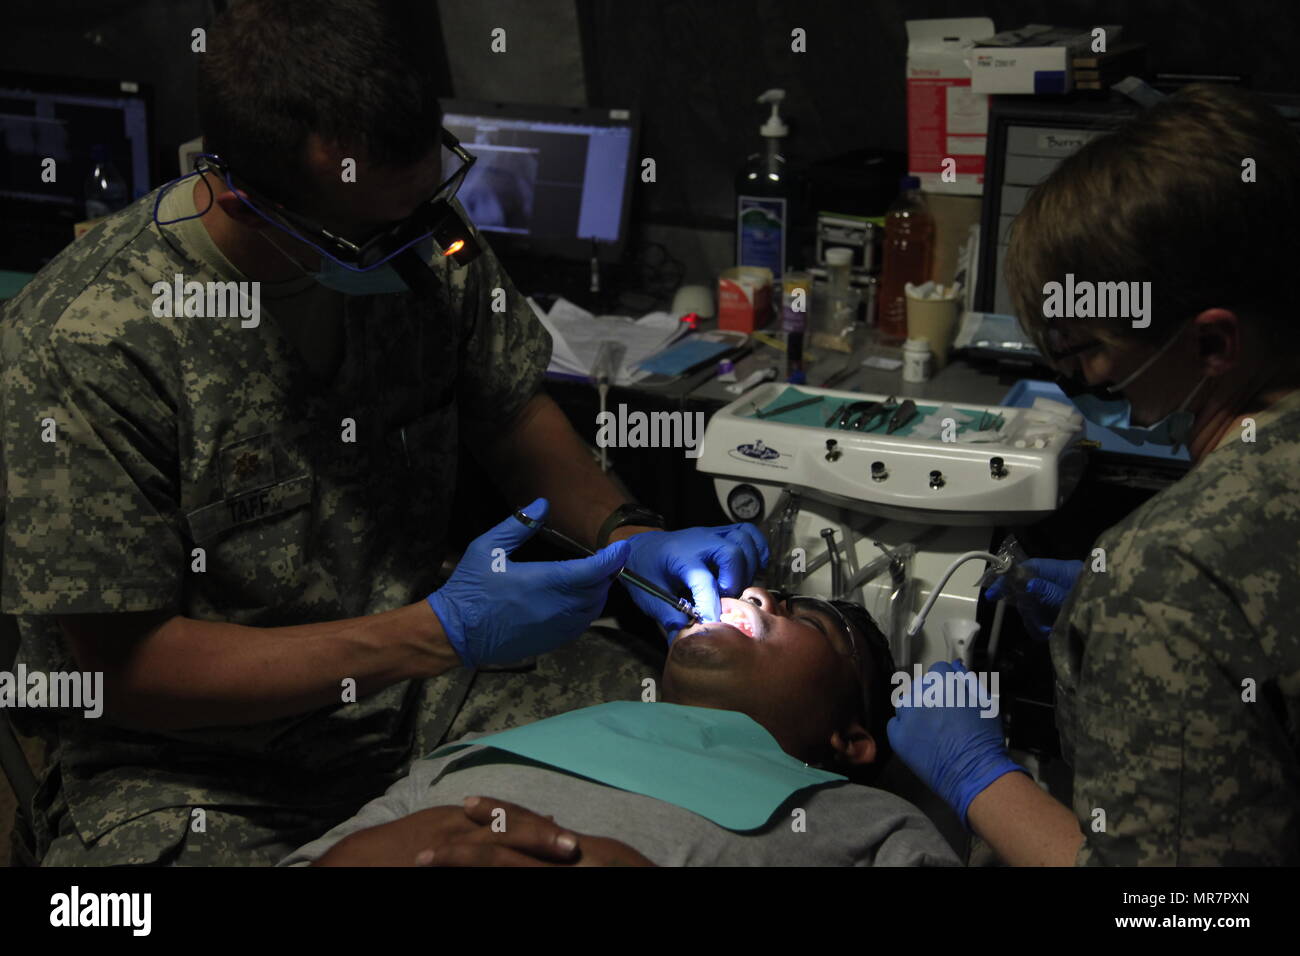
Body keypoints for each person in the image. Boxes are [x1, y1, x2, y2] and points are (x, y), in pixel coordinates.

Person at [0, 0, 765, 866]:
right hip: (201, 763)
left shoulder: (417, 234)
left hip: (424, 694)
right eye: (377, 236)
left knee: (702, 736)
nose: (420, 247)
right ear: (243, 199)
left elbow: (510, 410)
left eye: (428, 204)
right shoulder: (88, 344)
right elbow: (125, 671)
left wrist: (628, 538)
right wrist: (436, 631)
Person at [888, 83, 1300, 866]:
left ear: (1213, 346)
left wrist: (979, 780)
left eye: (1089, 354)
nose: (1081, 383)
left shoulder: (1167, 573)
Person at [280, 587, 959, 867]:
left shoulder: (865, 820)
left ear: (850, 740)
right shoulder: (466, 758)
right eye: (765, 592)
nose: (754, 594)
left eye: (804, 620)